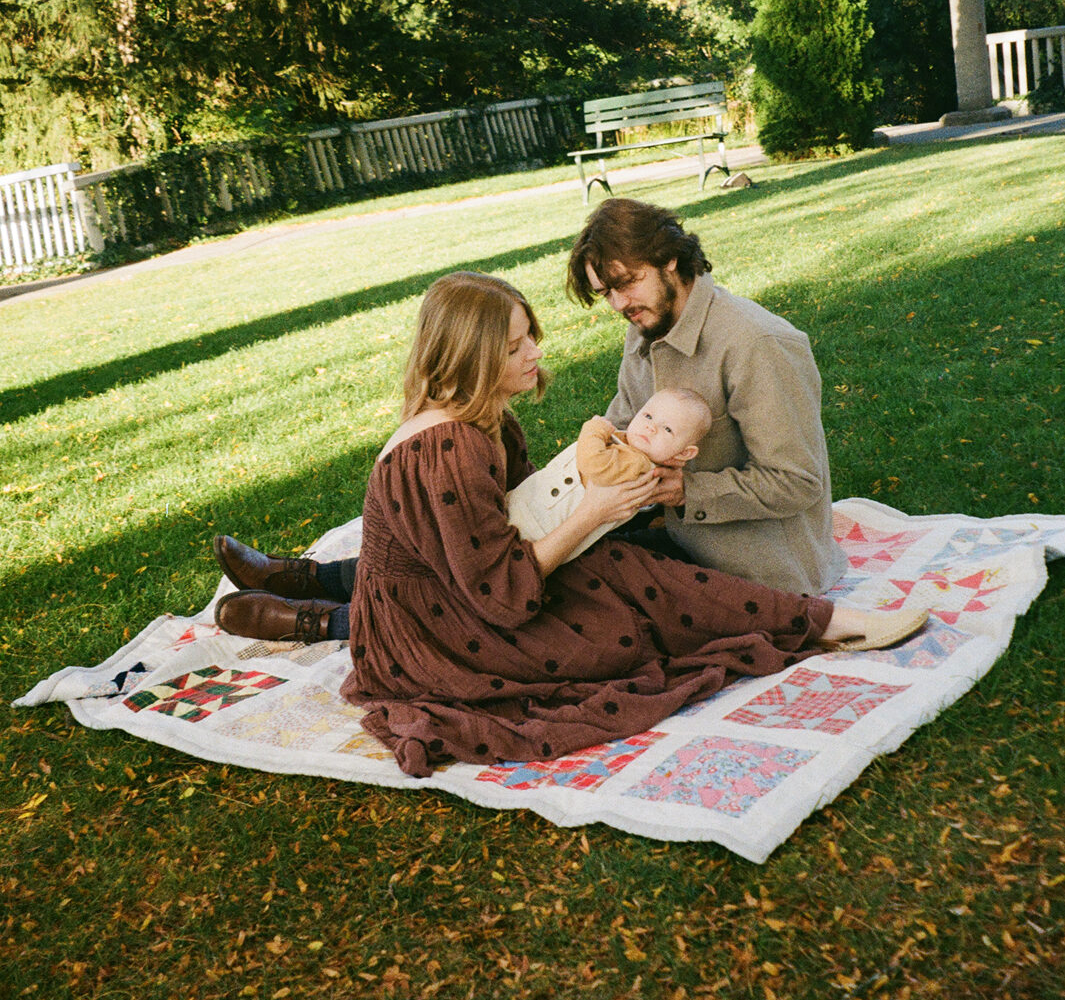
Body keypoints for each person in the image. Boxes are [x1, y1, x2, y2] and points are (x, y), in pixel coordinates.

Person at [214, 271, 925, 778]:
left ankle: (815, 619)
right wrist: (592, 512)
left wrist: (606, 504)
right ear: (471, 354)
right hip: (431, 631)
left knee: (626, 566)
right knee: (619, 621)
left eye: (532, 337)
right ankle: (817, 620)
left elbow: (510, 527)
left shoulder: (482, 418)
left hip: (436, 595)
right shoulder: (448, 447)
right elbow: (498, 597)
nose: (535, 354)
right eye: (517, 345)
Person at [566, 198, 847, 597]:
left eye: (627, 282)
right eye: (606, 292)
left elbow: (797, 481)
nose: (618, 304)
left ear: (670, 260)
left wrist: (685, 491)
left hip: (759, 565)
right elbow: (623, 427)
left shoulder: (756, 342)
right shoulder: (645, 325)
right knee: (563, 581)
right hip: (681, 542)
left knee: (589, 601)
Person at [506, 386, 712, 564]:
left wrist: (593, 429)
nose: (651, 427)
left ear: (685, 453)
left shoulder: (639, 465)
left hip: (534, 528)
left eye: (667, 429)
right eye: (648, 416)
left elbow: (595, 464)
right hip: (529, 512)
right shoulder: (631, 450)